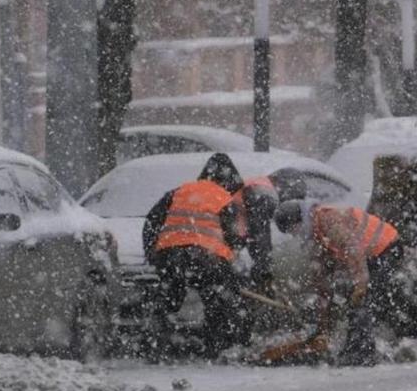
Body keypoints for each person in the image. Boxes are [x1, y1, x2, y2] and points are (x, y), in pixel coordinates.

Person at [271, 202, 403, 365]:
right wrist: (322, 319)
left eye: (292, 230)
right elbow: (322, 275)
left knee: (363, 300)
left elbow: (352, 248)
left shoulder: (327, 219)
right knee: (359, 300)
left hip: (386, 247)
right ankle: (357, 347)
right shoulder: (316, 233)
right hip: (370, 255)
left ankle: (363, 353)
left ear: (299, 221)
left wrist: (360, 284)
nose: (294, 235)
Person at [143, 153, 249, 355]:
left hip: (170, 255)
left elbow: (151, 221)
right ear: (228, 180)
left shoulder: (179, 191)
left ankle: (156, 343)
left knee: (170, 295)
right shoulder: (225, 198)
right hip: (206, 257)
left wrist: (152, 253)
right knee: (217, 297)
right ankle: (217, 346)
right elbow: (234, 237)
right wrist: (232, 261)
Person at [229, 168, 307, 296]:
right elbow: (259, 232)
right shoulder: (264, 193)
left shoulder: (258, 185)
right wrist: (263, 267)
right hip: (217, 236)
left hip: (222, 233)